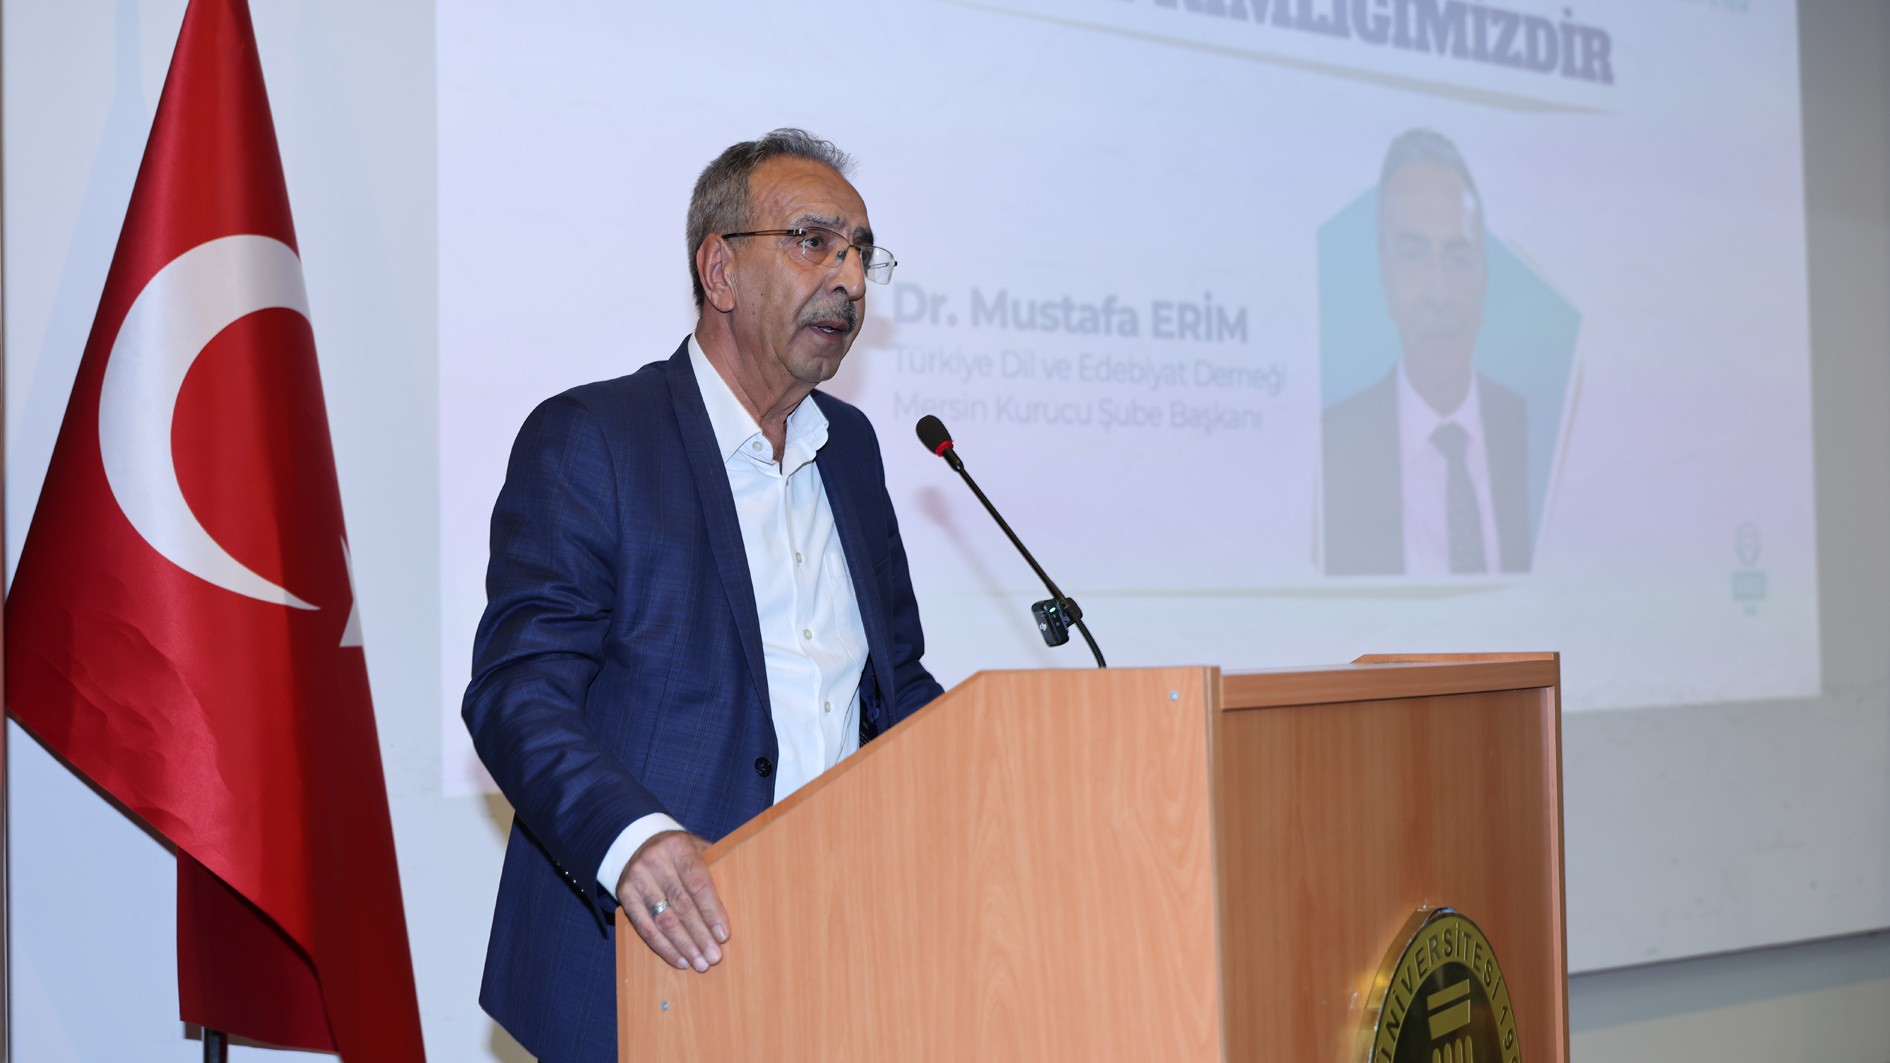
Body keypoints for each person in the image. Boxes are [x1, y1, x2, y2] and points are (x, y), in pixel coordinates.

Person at [462, 128, 944, 1063]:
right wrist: (633, 841)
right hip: (646, 957)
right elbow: (518, 692)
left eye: (860, 251)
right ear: (719, 270)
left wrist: (1003, 777)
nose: (848, 277)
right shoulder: (595, 438)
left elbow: (895, 684)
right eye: (813, 241)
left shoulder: (851, 451)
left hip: (834, 945)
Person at [1322, 128, 1532, 576]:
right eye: (1414, 257)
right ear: (1385, 276)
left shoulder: (1530, 433)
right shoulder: (1332, 450)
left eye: (1458, 257)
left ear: (1484, 276)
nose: (1440, 292)